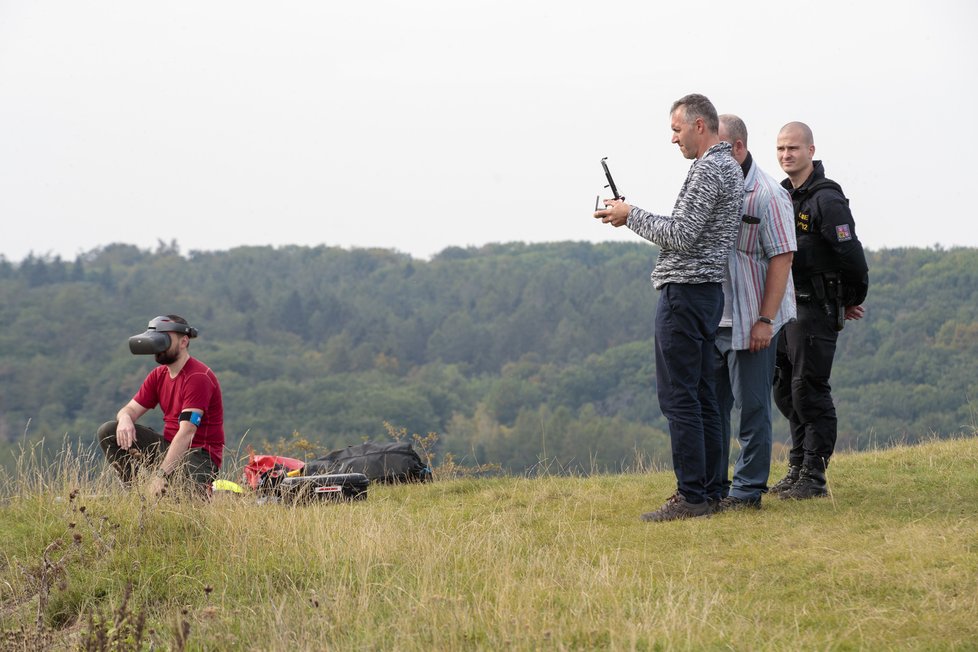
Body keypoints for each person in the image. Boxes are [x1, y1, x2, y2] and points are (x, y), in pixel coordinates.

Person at [594, 93, 744, 521]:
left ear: (700, 126)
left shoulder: (708, 169)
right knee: (702, 395)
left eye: (677, 130)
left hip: (686, 294)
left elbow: (681, 234)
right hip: (708, 293)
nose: (673, 139)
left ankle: (691, 496)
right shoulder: (728, 167)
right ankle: (712, 490)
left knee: (680, 398)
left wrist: (630, 214)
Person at [771, 122, 868, 499]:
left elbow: (851, 253)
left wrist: (851, 296)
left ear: (811, 150)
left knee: (808, 389)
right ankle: (797, 467)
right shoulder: (782, 196)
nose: (785, 155)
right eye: (780, 149)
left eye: (793, 148)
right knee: (784, 389)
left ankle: (814, 475)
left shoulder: (827, 199)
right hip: (787, 307)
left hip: (816, 307)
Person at [711, 114, 797, 512]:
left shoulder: (767, 193)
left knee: (753, 408)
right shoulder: (713, 187)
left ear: (739, 148)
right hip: (715, 317)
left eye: (719, 151)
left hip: (752, 320)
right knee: (713, 407)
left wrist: (765, 319)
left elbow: (782, 259)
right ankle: (713, 486)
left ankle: (747, 493)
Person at [98, 315, 225, 498]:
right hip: (168, 447)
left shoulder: (198, 377)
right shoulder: (158, 375)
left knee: (181, 503)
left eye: (164, 338)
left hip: (198, 455)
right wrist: (125, 419)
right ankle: (134, 494)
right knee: (109, 431)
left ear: (183, 342)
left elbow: (187, 432)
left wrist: (161, 475)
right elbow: (130, 409)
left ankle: (171, 490)